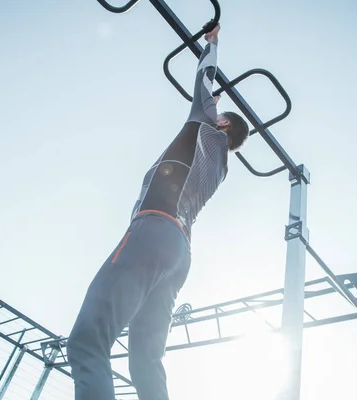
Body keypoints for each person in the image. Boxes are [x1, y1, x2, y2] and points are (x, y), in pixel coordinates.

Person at [66, 22, 249, 400]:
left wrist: (210, 45)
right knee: (146, 361)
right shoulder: (221, 166)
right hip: (179, 254)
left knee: (88, 340)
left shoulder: (207, 126)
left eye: (219, 113)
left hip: (153, 233)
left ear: (224, 122)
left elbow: (205, 79)